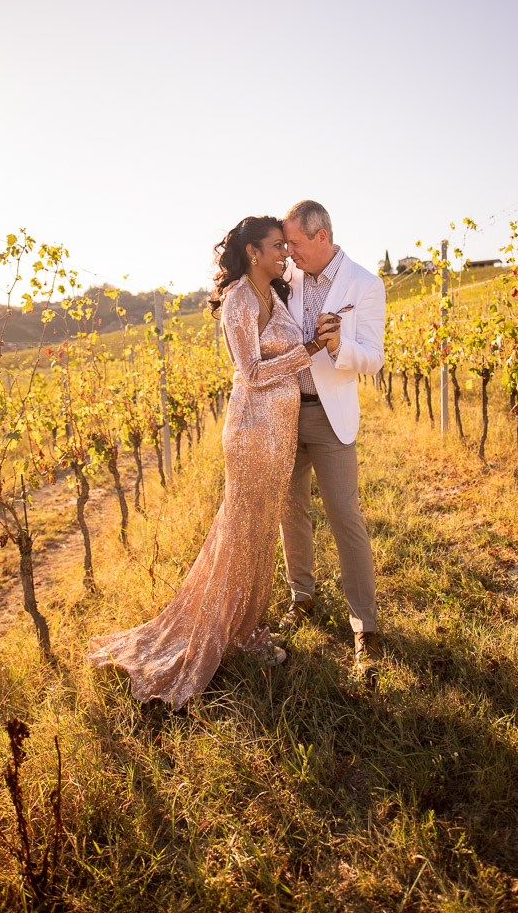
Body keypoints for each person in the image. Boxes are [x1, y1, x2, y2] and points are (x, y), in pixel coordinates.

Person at [87, 216, 336, 710]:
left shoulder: (274, 295)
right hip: (252, 431)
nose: (285, 253)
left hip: (278, 428)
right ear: (252, 253)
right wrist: (308, 350)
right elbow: (251, 372)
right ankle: (226, 632)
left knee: (263, 530)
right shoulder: (240, 300)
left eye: (286, 247)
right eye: (276, 247)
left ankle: (247, 627)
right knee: (245, 529)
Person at [278, 200, 386, 670]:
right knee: (290, 510)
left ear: (322, 237)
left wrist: (341, 345)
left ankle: (366, 626)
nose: (289, 252)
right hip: (283, 415)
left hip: (330, 415)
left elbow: (374, 357)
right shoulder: (291, 279)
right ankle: (302, 598)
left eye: (295, 243)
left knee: (345, 515)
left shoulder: (365, 283)